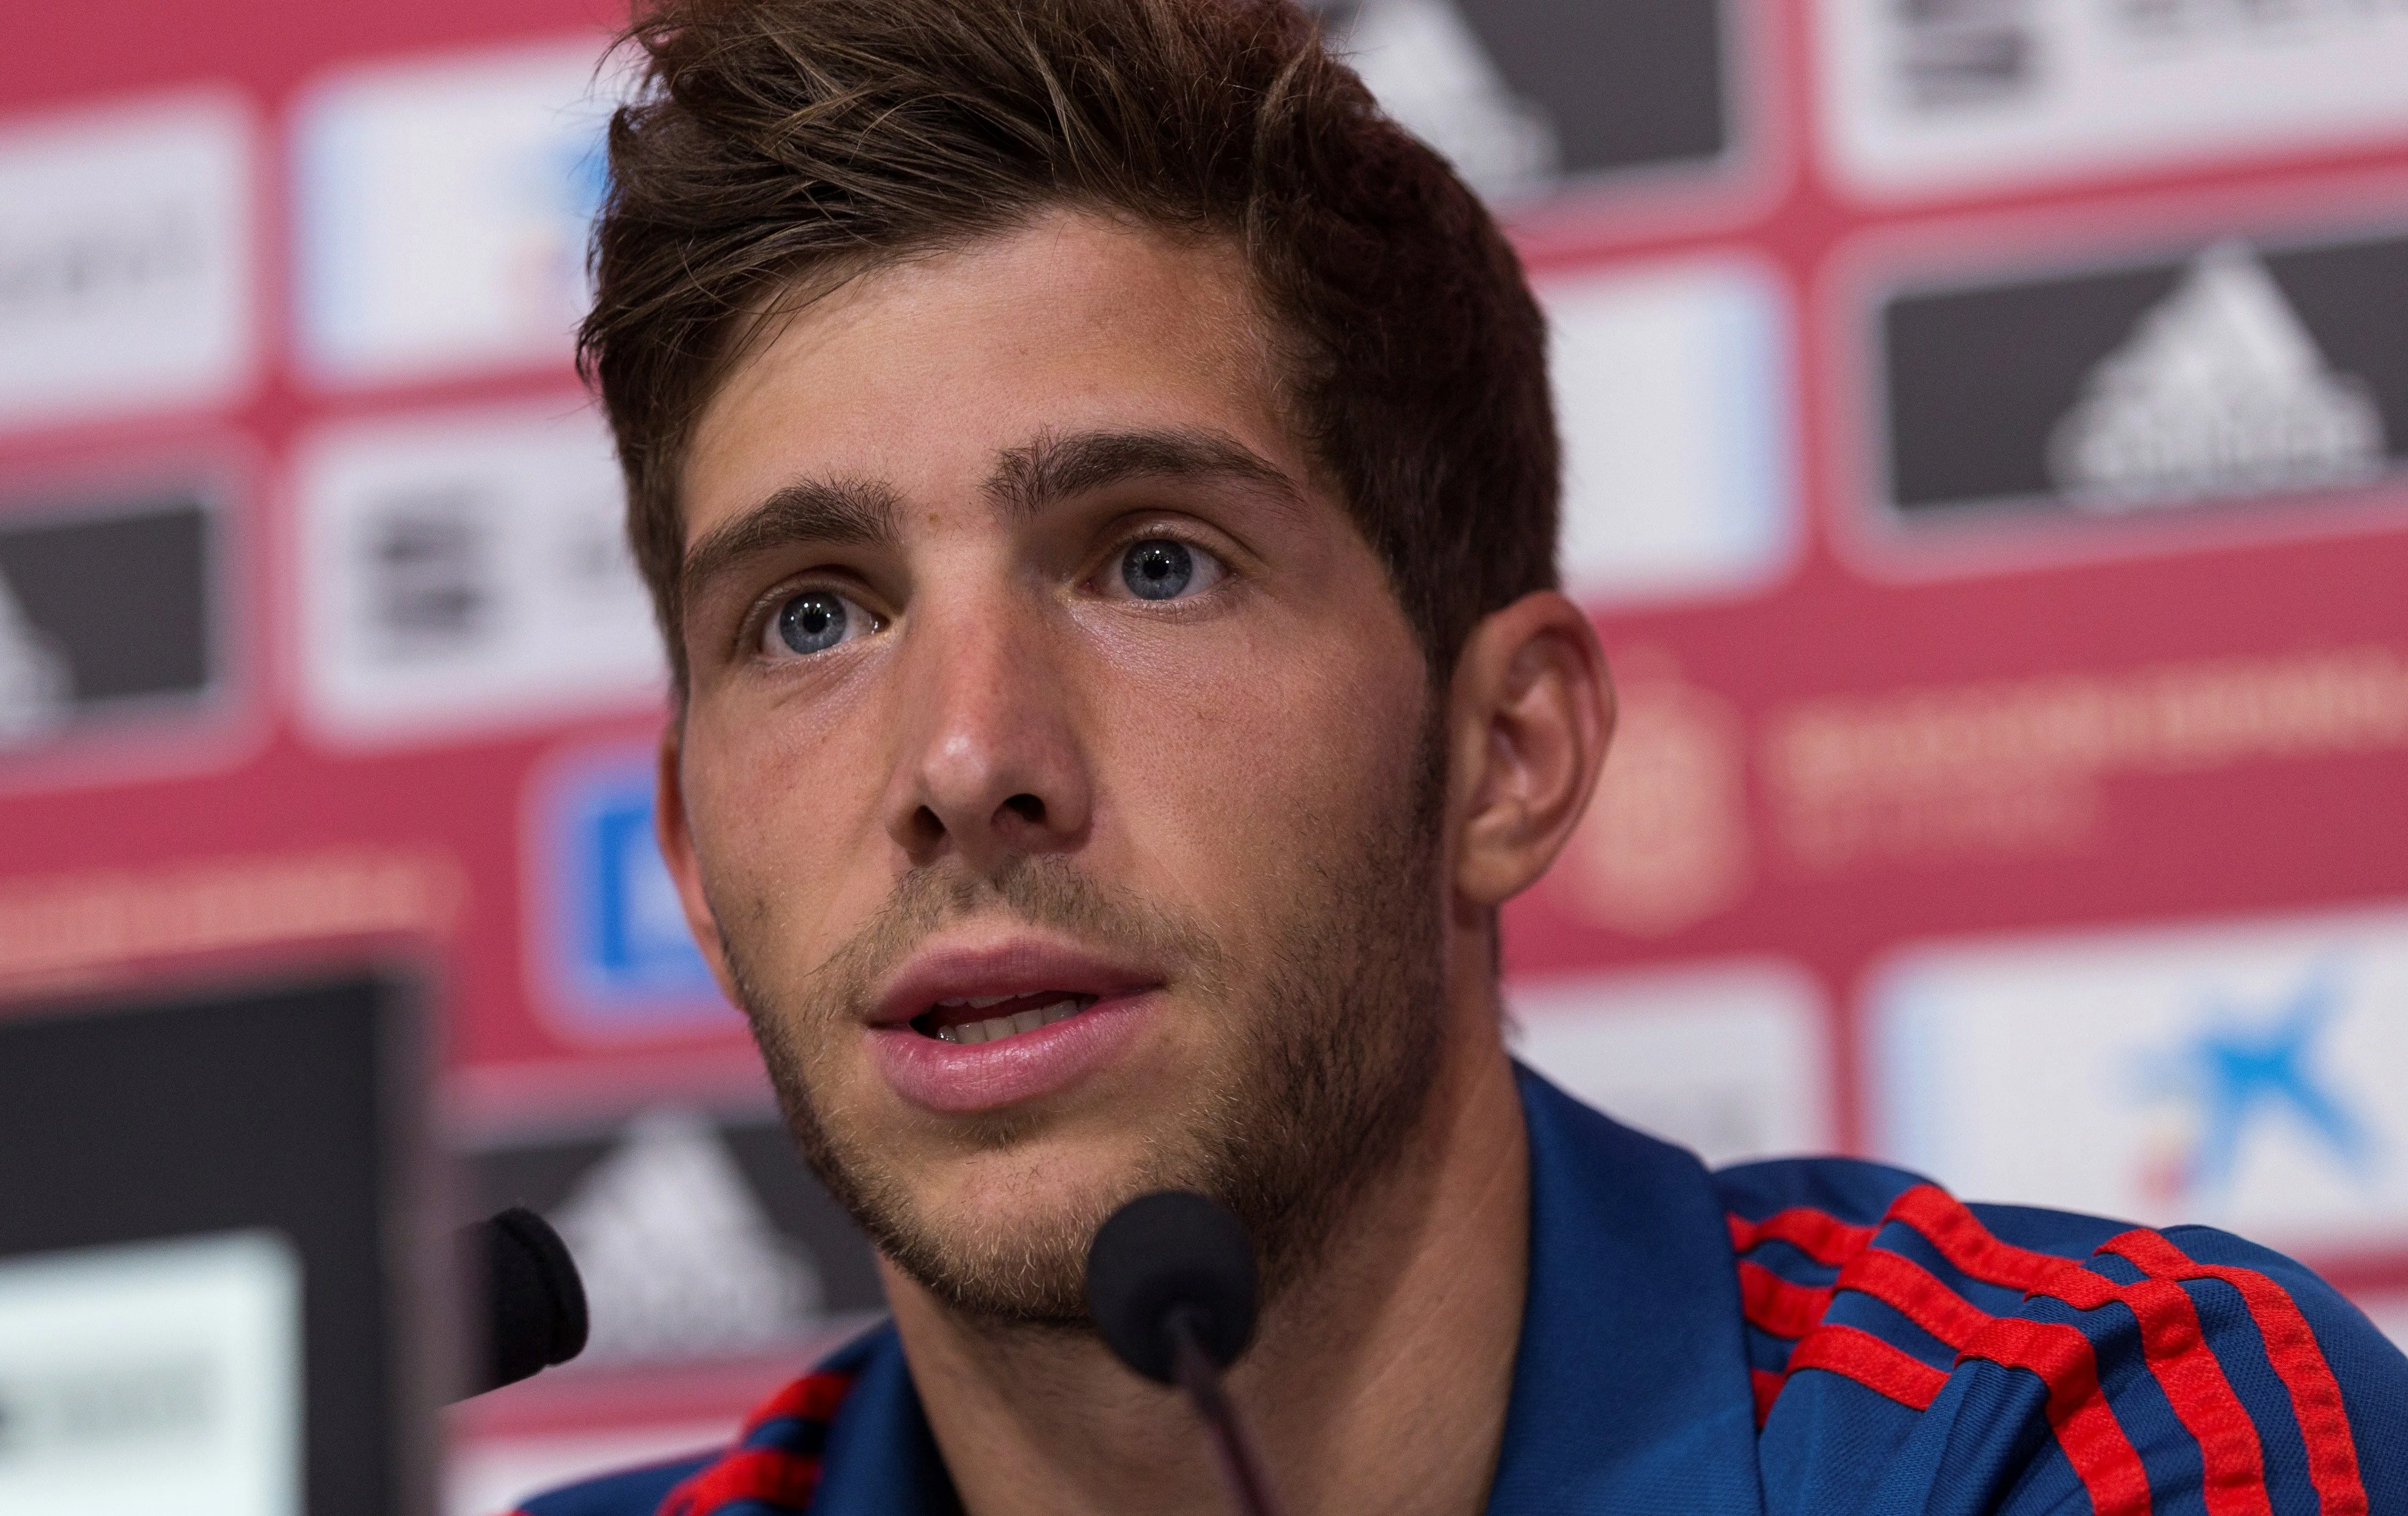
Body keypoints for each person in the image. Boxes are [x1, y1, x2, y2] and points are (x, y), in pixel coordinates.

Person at [521, 1, 2408, 1511]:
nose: (961, 754)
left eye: (1152, 563)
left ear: (1505, 753)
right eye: (813, 616)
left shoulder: (2085, 1439)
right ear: (694, 858)